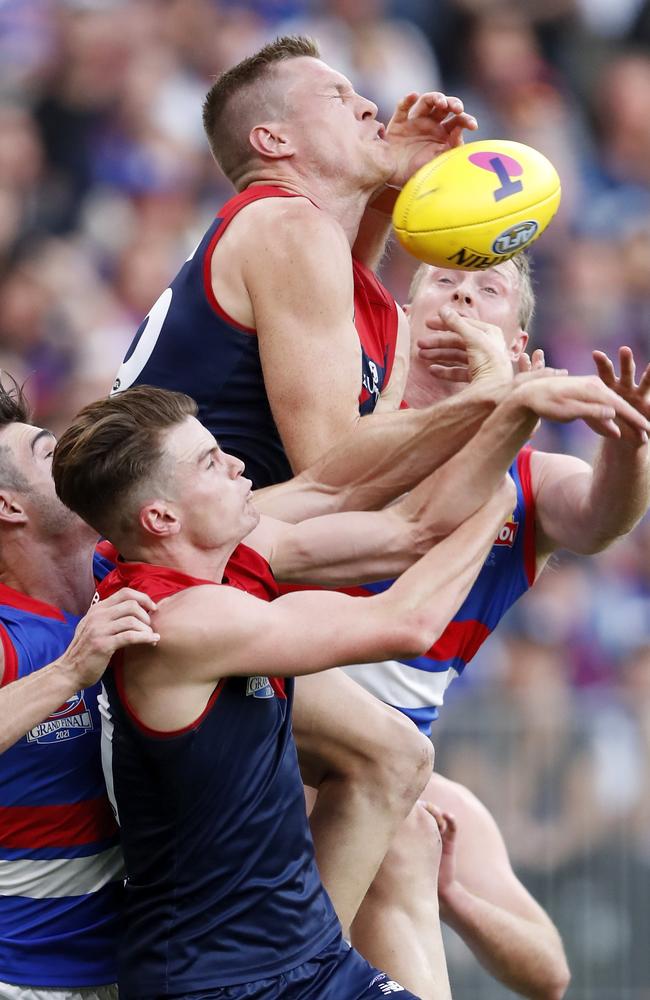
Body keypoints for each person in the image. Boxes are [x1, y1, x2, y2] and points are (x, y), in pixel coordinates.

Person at [106, 34, 648, 943]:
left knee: (411, 802)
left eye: (481, 291)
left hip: (206, 565)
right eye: (339, 94)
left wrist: (391, 184)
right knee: (394, 764)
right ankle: (298, 968)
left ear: (521, 335)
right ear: (276, 140)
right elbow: (345, 476)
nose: (370, 105)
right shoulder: (286, 230)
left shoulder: (315, 252)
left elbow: (582, 516)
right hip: (182, 574)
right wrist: (501, 402)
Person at [51, 383, 519, 1000]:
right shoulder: (179, 619)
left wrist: (511, 412)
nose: (237, 464)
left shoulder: (232, 557)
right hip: (216, 983)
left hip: (309, 962)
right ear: (161, 518)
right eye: (211, 462)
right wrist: (505, 496)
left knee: (393, 756)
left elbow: (414, 530)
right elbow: (408, 623)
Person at [333, 255, 649, 998]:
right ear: (399, 321)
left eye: (490, 287)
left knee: (409, 834)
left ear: (520, 347)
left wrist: (629, 446)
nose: (465, 291)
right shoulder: (331, 432)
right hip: (271, 723)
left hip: (388, 761)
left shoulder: (532, 482)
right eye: (442, 280)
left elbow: (603, 516)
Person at [0, 378, 162, 999]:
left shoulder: (121, 571)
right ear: (9, 506)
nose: (71, 452)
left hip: (129, 973)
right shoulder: (10, 634)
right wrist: (68, 672)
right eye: (48, 452)